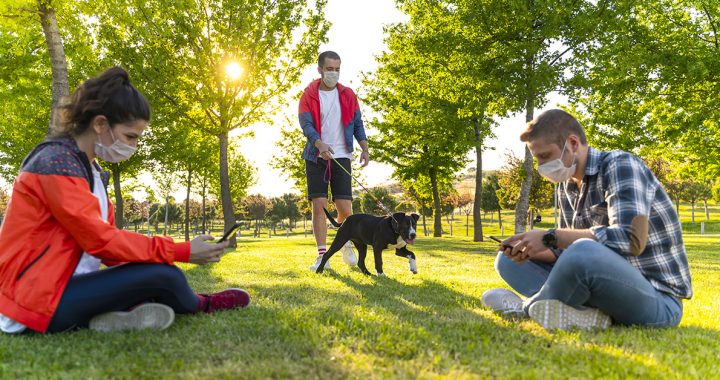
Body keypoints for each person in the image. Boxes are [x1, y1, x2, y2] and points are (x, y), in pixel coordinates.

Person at [0, 67, 250, 334]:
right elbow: (101, 242)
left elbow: (111, 248)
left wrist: (145, 265)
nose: (133, 146)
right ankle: (201, 304)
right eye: (130, 136)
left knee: (155, 273)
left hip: (65, 289)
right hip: (31, 303)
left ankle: (123, 312)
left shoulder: (91, 170)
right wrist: (181, 251)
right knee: (167, 277)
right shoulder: (55, 163)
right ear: (100, 124)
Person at [482, 109, 692, 331]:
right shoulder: (566, 185)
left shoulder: (620, 165)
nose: (541, 167)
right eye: (537, 159)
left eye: (544, 156)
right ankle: (582, 314)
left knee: (584, 250)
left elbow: (631, 240)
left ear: (572, 143)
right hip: (602, 291)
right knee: (507, 261)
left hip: (657, 299)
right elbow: (566, 253)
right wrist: (531, 249)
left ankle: (527, 309)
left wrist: (550, 236)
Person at [299, 51, 369, 271]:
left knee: (345, 208)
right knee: (319, 206)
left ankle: (345, 242)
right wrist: (319, 145)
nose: (334, 73)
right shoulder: (309, 94)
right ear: (319, 69)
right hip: (316, 156)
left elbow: (358, 123)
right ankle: (322, 257)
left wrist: (364, 148)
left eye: (337, 69)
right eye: (329, 69)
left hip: (342, 155)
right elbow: (306, 125)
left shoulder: (348, 94)